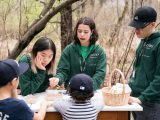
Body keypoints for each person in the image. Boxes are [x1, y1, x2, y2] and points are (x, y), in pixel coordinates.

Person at [50, 17, 107, 90]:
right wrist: (58, 79)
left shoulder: (99, 51)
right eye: (79, 31)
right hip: (72, 92)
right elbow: (63, 71)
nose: (82, 34)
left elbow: (100, 74)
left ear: (92, 32)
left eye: (86, 32)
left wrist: (89, 87)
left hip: (91, 92)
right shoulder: (69, 50)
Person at [128, 6, 160, 120]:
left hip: (152, 103)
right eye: (135, 26)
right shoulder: (143, 40)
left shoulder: (158, 43)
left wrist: (142, 98)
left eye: (141, 26)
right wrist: (129, 86)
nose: (136, 30)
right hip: (136, 98)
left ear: (152, 24)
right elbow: (137, 69)